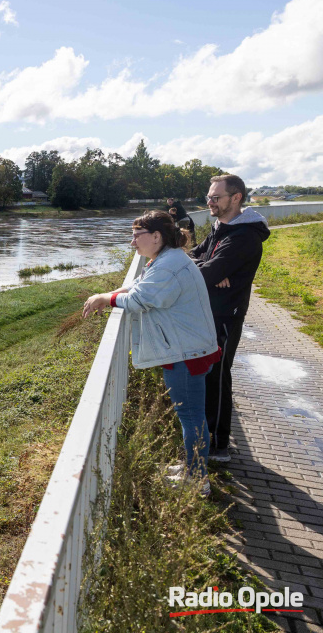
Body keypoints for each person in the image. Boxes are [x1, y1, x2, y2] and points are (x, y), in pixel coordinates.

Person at [84, 211, 220, 494]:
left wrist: (105, 299)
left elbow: (140, 299)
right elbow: (139, 286)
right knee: (193, 415)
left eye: (136, 235)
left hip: (186, 354)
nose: (132, 243)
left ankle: (197, 481)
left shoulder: (168, 266)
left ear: (156, 236)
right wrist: (106, 296)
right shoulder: (167, 259)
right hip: (188, 349)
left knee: (191, 417)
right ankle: (193, 469)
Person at [190, 174, 270, 463]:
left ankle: (218, 445)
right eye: (209, 197)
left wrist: (211, 272)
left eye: (215, 197)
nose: (209, 202)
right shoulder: (220, 227)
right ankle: (209, 437)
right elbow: (193, 258)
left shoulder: (243, 236)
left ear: (235, 198)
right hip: (209, 311)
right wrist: (207, 268)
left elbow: (206, 273)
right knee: (208, 375)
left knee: (217, 377)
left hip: (225, 316)